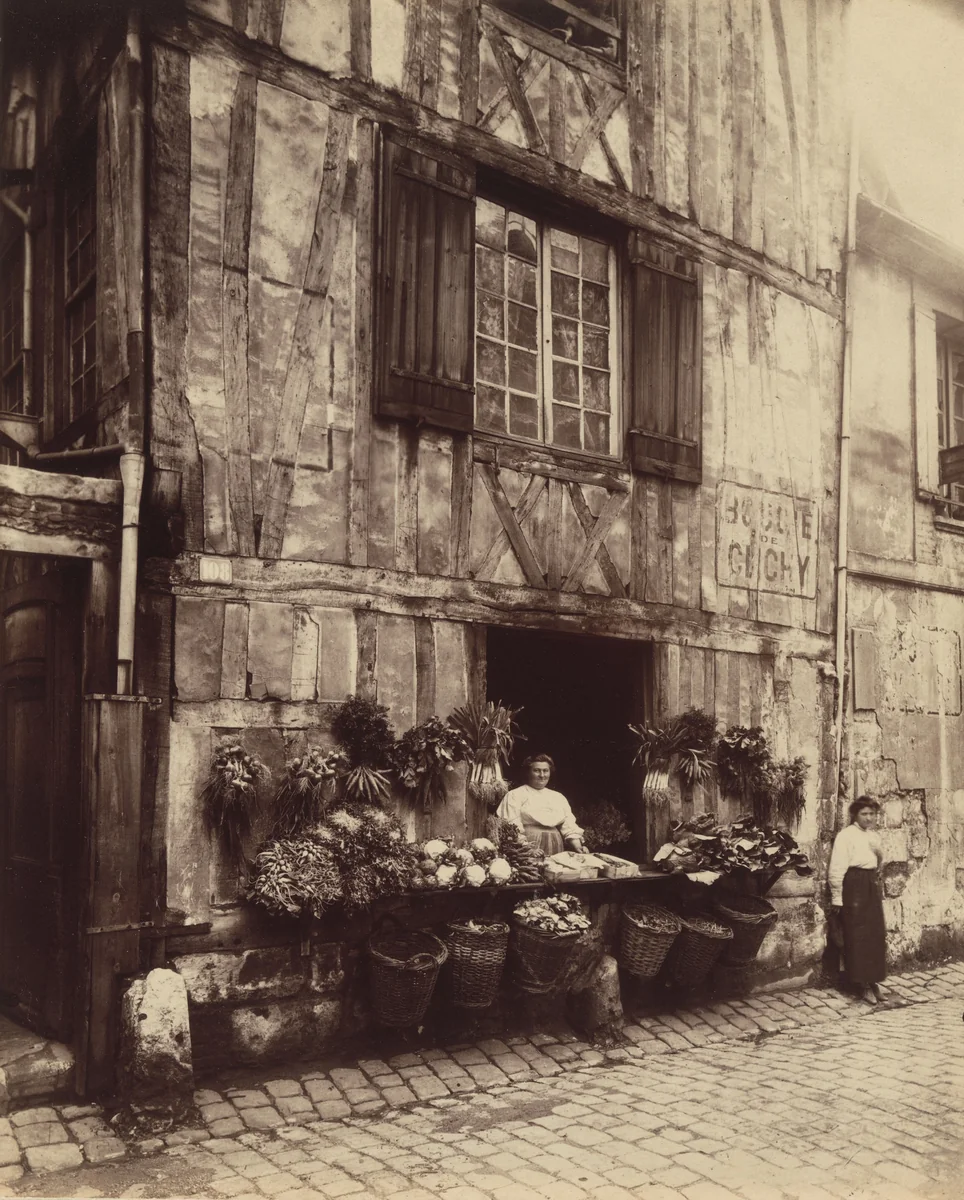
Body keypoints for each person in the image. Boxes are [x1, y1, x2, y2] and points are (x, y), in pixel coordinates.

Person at [828, 796, 887, 1005]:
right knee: (857, 935)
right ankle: (861, 984)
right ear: (855, 815)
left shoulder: (874, 836)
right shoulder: (846, 836)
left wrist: (880, 856)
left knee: (875, 933)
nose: (869, 818)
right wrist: (837, 898)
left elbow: (878, 864)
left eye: (872, 814)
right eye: (864, 814)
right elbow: (836, 868)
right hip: (853, 886)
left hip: (870, 885)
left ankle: (873, 981)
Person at [497, 754, 585, 855]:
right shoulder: (515, 795)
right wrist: (527, 849)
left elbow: (569, 825)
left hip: (555, 845)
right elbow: (512, 826)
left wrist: (578, 846)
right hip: (529, 845)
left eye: (545, 771)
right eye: (537, 770)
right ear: (528, 772)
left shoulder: (558, 797)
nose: (542, 775)